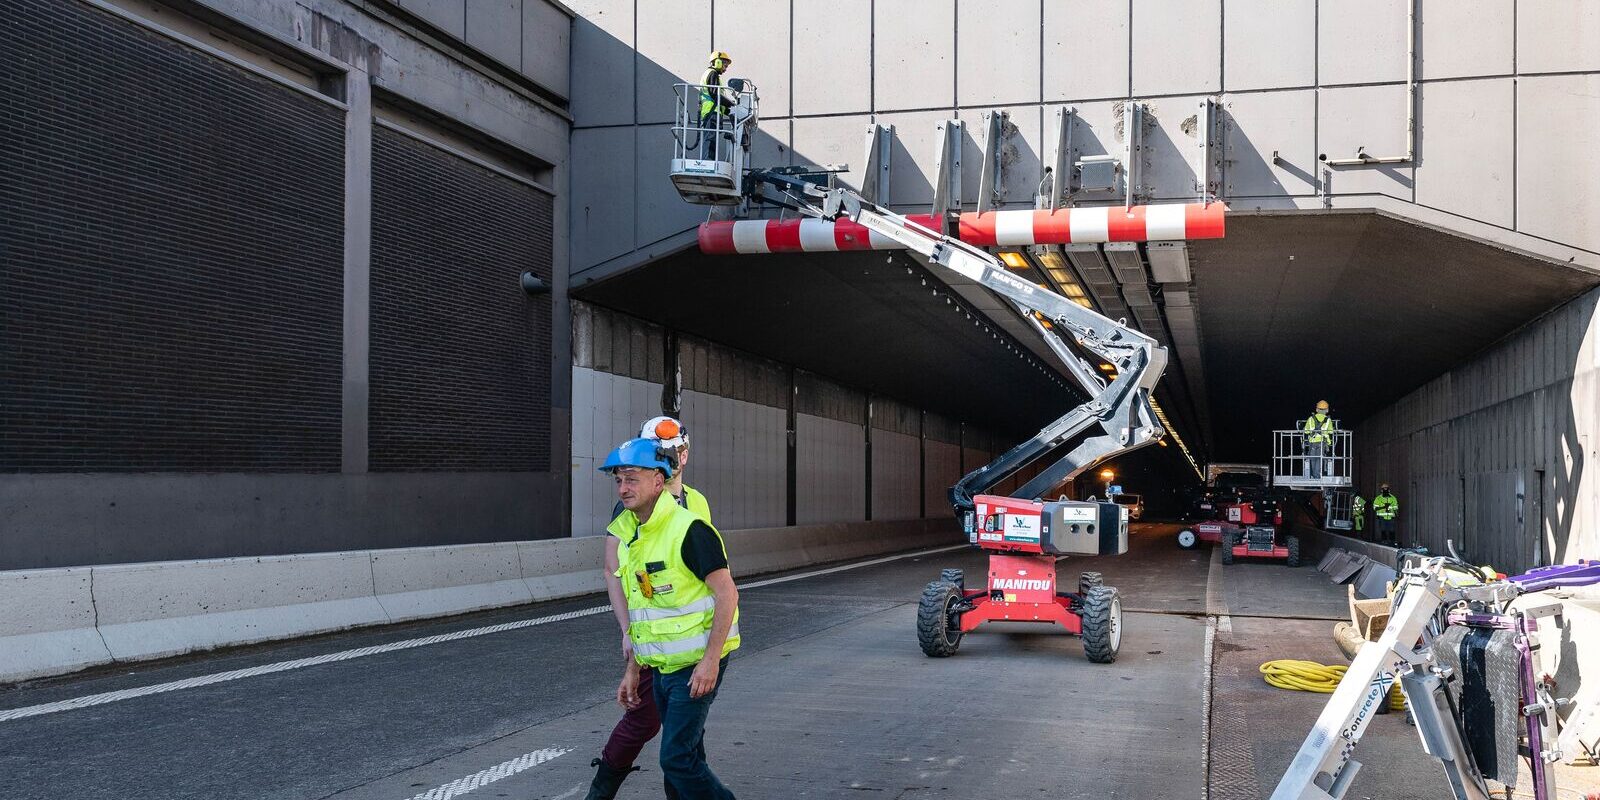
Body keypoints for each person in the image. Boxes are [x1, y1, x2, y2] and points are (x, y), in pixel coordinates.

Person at [601, 437, 741, 800]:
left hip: (696, 664)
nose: (623, 488)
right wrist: (633, 667)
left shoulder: (689, 530)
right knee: (688, 754)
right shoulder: (634, 536)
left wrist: (710, 662)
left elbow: (727, 594)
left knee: (676, 758)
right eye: (618, 480)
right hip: (662, 665)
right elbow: (645, 611)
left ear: (658, 482)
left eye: (632, 478)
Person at [585, 417, 712, 800]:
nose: (669, 459)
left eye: (674, 453)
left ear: (684, 455)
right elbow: (613, 571)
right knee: (644, 719)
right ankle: (600, 792)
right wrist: (628, 630)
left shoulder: (696, 502)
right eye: (659, 454)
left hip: (689, 639)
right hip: (650, 633)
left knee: (685, 730)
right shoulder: (630, 505)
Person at [697, 51, 736, 158]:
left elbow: (717, 99)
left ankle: (709, 161)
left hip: (712, 112)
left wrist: (730, 111)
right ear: (717, 62)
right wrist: (732, 105)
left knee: (711, 139)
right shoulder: (712, 73)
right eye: (725, 65)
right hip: (711, 112)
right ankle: (708, 162)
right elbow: (715, 94)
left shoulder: (712, 75)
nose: (725, 69)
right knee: (710, 140)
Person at [1302, 400, 1336, 480]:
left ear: (1317, 409)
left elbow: (1306, 431)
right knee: (1320, 459)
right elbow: (1331, 431)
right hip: (1322, 442)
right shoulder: (1328, 420)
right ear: (1327, 410)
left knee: (1312, 459)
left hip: (1312, 443)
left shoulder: (1310, 419)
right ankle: (1317, 476)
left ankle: (1313, 475)